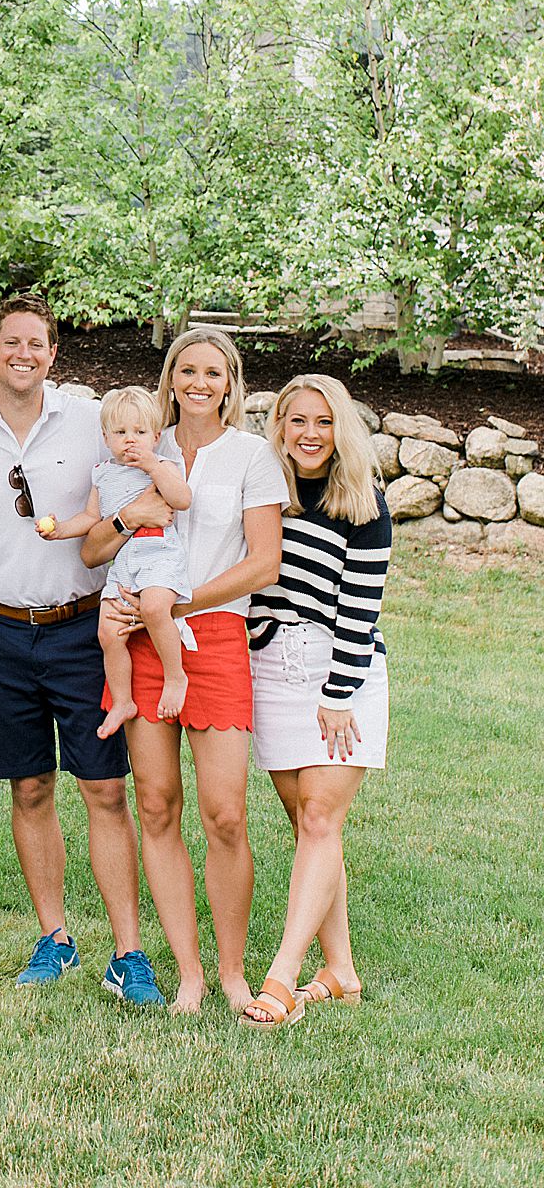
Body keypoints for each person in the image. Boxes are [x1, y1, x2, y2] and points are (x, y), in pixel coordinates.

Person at [0, 293, 167, 1003]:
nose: (22, 354)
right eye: (10, 342)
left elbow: (145, 477)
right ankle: (56, 937)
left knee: (104, 789)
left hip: (83, 629)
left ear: (52, 353)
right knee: (30, 786)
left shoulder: (89, 420)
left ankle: (128, 953)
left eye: (35, 343)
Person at [87, 326, 285, 1012]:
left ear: (231, 384)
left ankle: (232, 972)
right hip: (141, 646)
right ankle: (191, 974)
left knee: (226, 812)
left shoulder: (252, 456)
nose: (200, 383)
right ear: (170, 378)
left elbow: (265, 562)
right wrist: (129, 591)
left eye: (214, 373)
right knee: (156, 804)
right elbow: (92, 545)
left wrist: (172, 606)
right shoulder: (141, 440)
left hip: (218, 638)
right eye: (187, 371)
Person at [241, 374, 392, 1027]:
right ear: (279, 424)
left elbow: (361, 609)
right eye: (296, 419)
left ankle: (282, 978)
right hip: (270, 670)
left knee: (323, 820)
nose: (308, 433)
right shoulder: (263, 491)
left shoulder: (363, 502)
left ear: (341, 430)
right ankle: (343, 971)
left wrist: (338, 693)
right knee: (307, 826)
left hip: (342, 673)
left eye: (323, 422)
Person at [37, 384, 194, 733]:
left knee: (154, 609)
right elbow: (92, 518)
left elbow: (182, 499)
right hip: (123, 563)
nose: (131, 440)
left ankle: (175, 676)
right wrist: (60, 529)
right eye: (121, 433)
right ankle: (123, 700)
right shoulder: (102, 472)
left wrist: (154, 466)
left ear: (156, 435)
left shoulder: (164, 466)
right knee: (108, 632)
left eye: (140, 432)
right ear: (106, 437)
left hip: (159, 555)